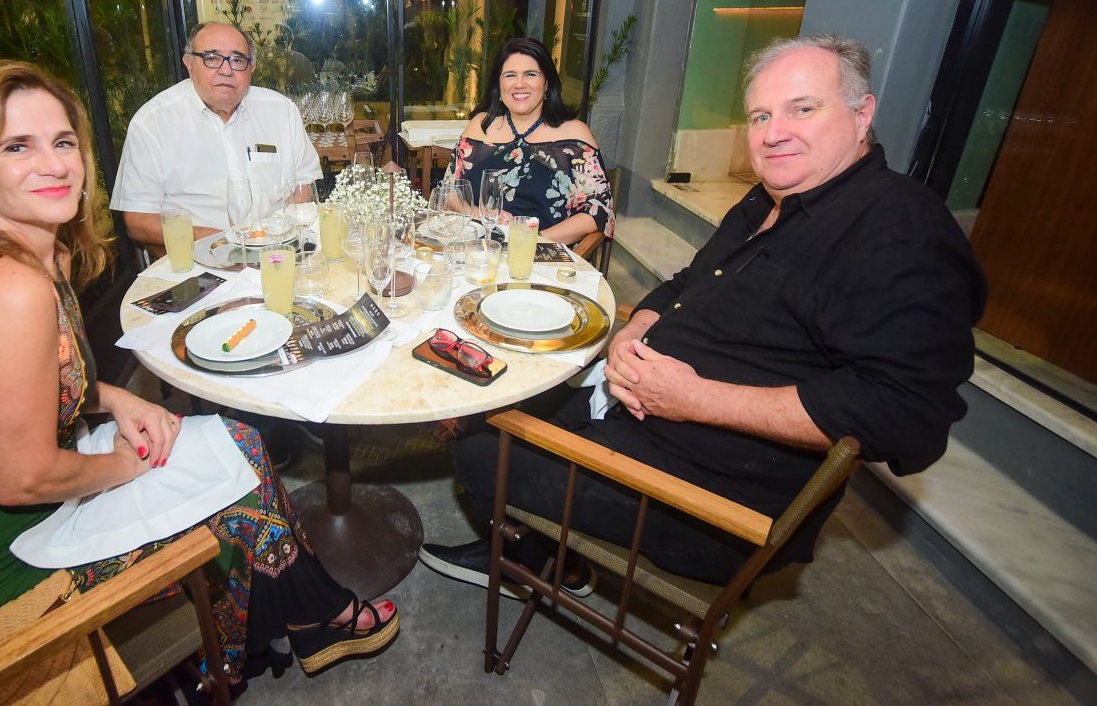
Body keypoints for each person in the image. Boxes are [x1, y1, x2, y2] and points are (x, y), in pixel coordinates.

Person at [0, 61, 397, 689]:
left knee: (239, 442)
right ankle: (278, 636)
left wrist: (109, 400)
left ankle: (301, 618)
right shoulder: (5, 290)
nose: (53, 164)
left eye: (63, 141)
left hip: (25, 523)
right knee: (236, 504)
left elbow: (17, 388)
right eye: (16, 146)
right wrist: (129, 465)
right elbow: (23, 479)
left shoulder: (26, 256)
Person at [420, 34, 986, 592]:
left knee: (478, 451)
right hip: (639, 409)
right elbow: (690, 282)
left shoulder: (899, 228)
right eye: (761, 117)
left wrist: (694, 400)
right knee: (503, 399)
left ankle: (529, 558)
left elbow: (908, 416)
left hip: (707, 493)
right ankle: (539, 549)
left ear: (863, 115)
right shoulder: (770, 198)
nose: (775, 133)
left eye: (803, 109)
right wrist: (636, 329)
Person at [111, 21, 322, 256]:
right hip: (196, 263)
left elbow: (305, 185)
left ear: (251, 67)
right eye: (212, 58)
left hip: (278, 252)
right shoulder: (152, 122)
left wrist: (278, 237)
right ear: (189, 63)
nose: (226, 70)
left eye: (237, 59)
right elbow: (138, 221)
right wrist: (225, 242)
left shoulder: (281, 110)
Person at [450, 37, 614, 245]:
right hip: (477, 251)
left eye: (531, 74)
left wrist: (531, 240)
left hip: (543, 256)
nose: (520, 84)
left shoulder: (575, 135)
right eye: (510, 75)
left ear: (546, 83)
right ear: (498, 84)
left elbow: (598, 210)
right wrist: (476, 212)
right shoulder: (479, 126)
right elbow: (450, 191)